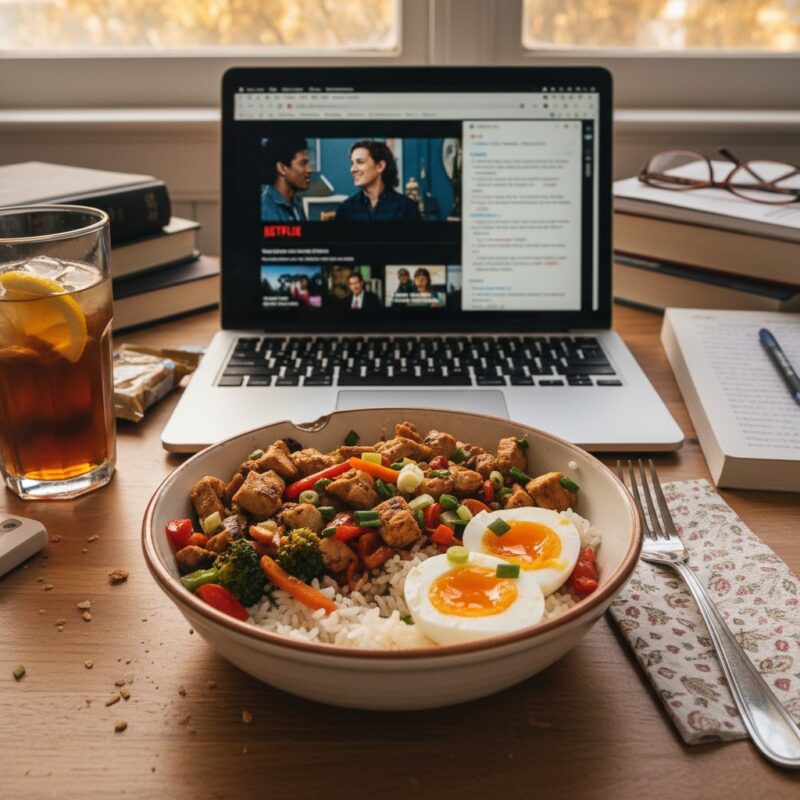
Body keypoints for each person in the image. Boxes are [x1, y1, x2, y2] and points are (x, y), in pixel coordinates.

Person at [336, 141, 423, 222]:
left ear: (380, 166)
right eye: (352, 163)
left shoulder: (406, 207)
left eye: (360, 162)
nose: (352, 169)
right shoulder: (345, 209)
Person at [261, 138, 312, 221]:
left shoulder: (296, 205)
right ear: (282, 168)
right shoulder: (265, 210)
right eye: (303, 163)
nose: (309, 170)